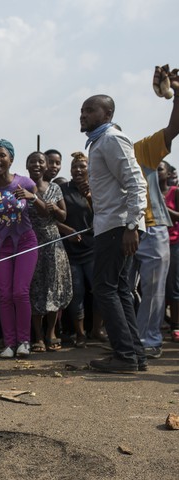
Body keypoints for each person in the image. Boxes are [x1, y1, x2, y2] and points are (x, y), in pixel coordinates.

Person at [80, 94, 148, 373]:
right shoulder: (98, 142)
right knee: (119, 289)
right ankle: (134, 354)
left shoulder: (111, 139)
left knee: (105, 289)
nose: (82, 115)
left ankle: (125, 355)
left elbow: (135, 182)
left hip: (118, 227)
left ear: (107, 114)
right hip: (112, 226)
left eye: (89, 110)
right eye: (81, 111)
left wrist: (132, 226)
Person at [130, 80, 179, 360]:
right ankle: (128, 338)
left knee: (153, 291)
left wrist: (177, 96)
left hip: (152, 226)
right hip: (118, 230)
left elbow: (173, 128)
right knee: (120, 290)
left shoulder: (141, 150)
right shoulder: (98, 159)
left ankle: (149, 340)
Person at [0, 140, 38, 358]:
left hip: (25, 242)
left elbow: (44, 212)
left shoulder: (24, 182)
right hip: (1, 245)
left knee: (20, 292)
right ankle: (9, 343)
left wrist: (34, 197)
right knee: (4, 295)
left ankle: (24, 341)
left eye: (2, 155)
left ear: (10, 159)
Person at [24, 151, 72, 352]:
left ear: (46, 166)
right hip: (31, 242)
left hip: (53, 243)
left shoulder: (55, 188)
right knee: (35, 289)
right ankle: (38, 336)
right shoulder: (22, 187)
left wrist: (54, 209)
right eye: (32, 161)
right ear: (26, 165)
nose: (36, 164)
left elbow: (63, 217)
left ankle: (51, 332)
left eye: (40, 161)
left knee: (53, 288)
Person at [58, 152, 104, 348]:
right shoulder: (62, 190)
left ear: (90, 169)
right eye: (74, 167)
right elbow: (54, 219)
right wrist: (67, 231)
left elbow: (105, 214)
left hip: (93, 248)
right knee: (76, 293)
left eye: (82, 166)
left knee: (100, 290)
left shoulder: (98, 187)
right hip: (71, 251)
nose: (77, 170)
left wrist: (90, 197)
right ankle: (80, 334)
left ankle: (97, 329)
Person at [161, 161, 179, 342]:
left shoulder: (175, 192)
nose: (157, 172)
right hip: (151, 244)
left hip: (173, 243)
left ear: (167, 173)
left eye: (160, 169)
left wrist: (162, 207)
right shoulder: (147, 193)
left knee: (173, 287)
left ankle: (175, 326)